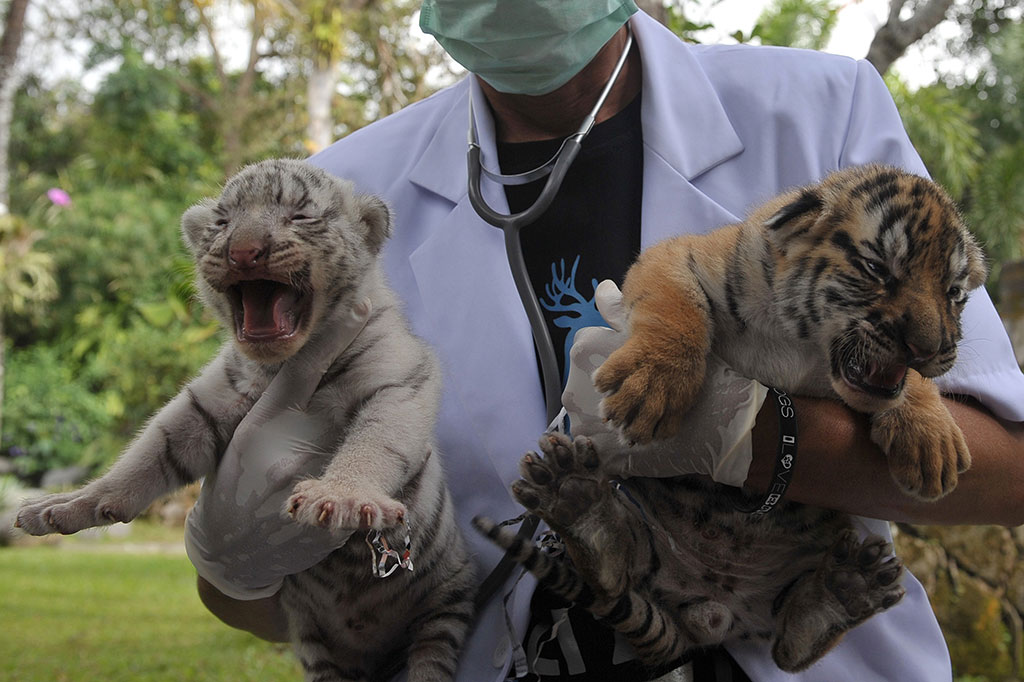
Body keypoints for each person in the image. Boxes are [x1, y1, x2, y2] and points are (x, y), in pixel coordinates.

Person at [188, 3, 1024, 681]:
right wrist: (241, 564)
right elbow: (287, 604)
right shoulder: (346, 198)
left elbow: (1005, 474)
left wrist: (750, 437)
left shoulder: (816, 109)